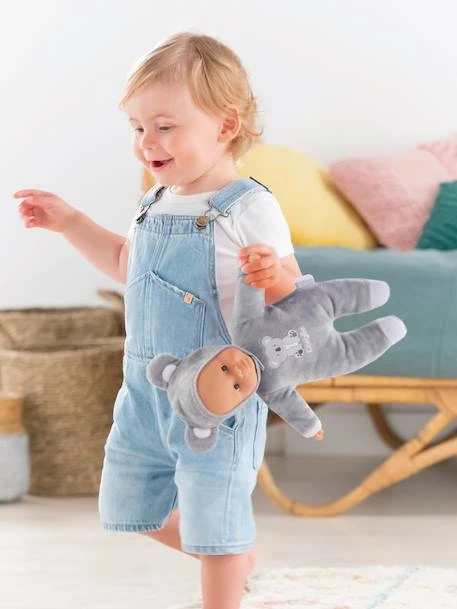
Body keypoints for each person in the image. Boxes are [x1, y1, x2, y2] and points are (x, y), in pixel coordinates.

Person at [14, 32, 322, 609]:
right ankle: (234, 557)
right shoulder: (154, 201)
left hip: (217, 397)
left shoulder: (248, 206)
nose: (145, 142)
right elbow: (125, 263)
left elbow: (296, 297)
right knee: (129, 505)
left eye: (164, 126)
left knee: (213, 512)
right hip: (144, 391)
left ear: (225, 125)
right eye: (136, 127)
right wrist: (70, 221)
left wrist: (271, 276)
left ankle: (223, 576)